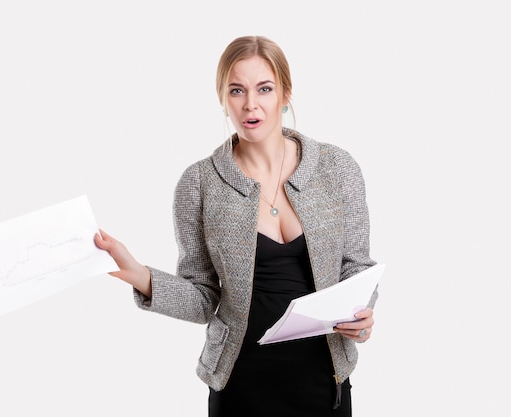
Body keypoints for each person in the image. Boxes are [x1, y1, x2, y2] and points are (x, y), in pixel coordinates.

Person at [94, 35, 378, 416]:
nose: (250, 104)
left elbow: (356, 265)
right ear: (223, 99)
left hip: (323, 380)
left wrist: (360, 315)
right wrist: (142, 276)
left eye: (264, 88)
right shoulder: (199, 183)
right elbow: (203, 297)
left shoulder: (337, 168)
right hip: (242, 383)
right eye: (236, 90)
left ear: (286, 93)